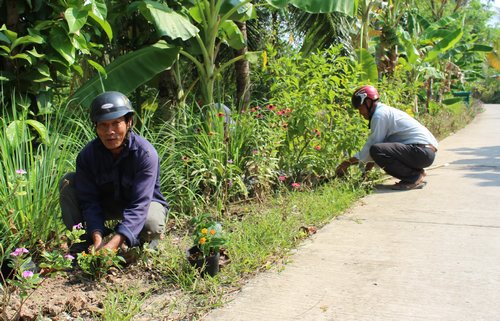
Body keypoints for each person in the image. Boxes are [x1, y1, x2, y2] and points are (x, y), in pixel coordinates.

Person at [59, 91, 168, 253]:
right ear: (95, 126)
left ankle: (138, 241)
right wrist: (97, 237)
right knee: (68, 182)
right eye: (103, 124)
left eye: (116, 123)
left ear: (129, 122)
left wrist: (112, 245)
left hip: (143, 204)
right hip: (108, 204)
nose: (110, 131)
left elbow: (140, 205)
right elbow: (89, 202)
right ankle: (81, 244)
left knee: (151, 223)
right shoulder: (87, 156)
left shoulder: (145, 154)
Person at [335, 85, 438, 190]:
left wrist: (346, 163)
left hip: (421, 152)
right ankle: (415, 173)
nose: (361, 113)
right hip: (423, 152)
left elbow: (372, 149)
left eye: (360, 108)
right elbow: (374, 152)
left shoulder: (379, 116)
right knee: (377, 149)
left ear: (368, 102)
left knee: (376, 149)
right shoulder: (383, 112)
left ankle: (413, 177)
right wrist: (365, 176)